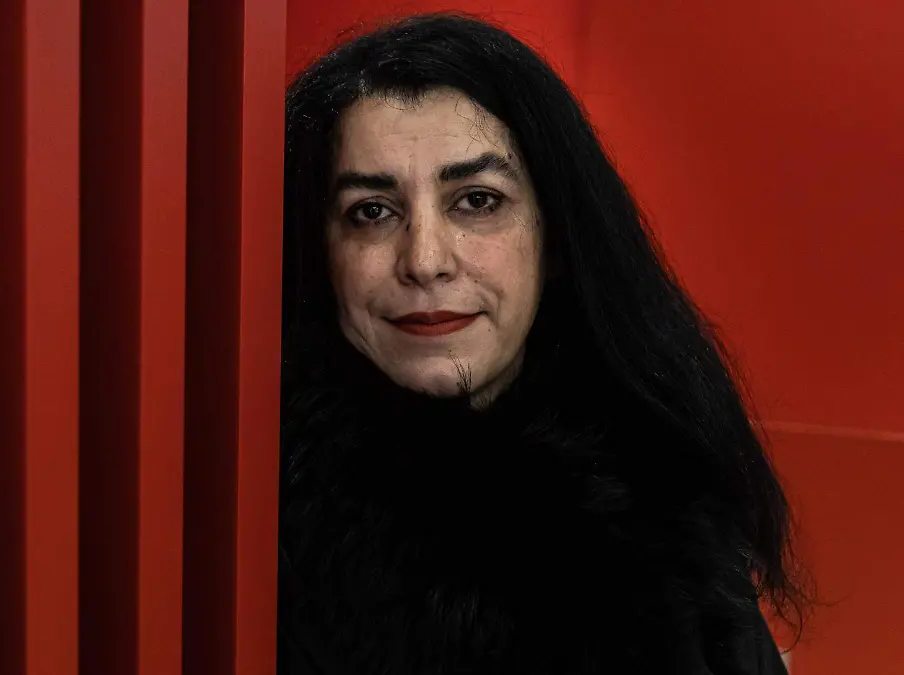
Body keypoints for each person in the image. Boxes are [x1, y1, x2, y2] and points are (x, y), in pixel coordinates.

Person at [277, 13, 807, 675]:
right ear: (320, 255)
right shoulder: (253, 527)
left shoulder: (671, 498)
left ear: (554, 239)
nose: (426, 260)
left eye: (476, 201)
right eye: (372, 211)